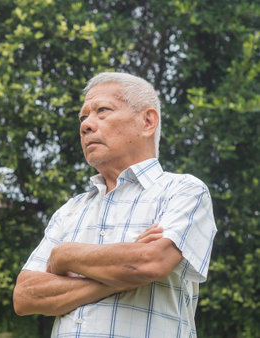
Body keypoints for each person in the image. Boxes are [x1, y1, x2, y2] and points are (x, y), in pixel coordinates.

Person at [13, 72, 217, 337]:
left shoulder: (183, 191)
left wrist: (64, 255)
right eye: (83, 117)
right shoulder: (70, 211)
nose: (86, 124)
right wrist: (121, 275)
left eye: (102, 111)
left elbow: (150, 263)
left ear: (147, 122)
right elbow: (25, 296)